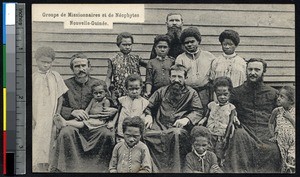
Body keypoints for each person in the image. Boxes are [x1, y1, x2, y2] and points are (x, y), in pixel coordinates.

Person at [49, 53, 118, 172]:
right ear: (72, 69)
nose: (81, 69)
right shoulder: (65, 84)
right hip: (73, 123)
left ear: (89, 67)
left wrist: (112, 110)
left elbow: (111, 103)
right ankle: (68, 169)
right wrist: (72, 111)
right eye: (77, 66)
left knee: (107, 134)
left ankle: (101, 169)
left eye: (83, 65)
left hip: (95, 125)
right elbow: (58, 106)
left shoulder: (98, 84)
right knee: (66, 132)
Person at [224, 58, 281, 173]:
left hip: (266, 130)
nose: (253, 73)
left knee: (273, 149)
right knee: (238, 136)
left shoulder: (273, 93)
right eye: (250, 69)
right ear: (246, 70)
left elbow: (279, 115)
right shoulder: (236, 92)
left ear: (263, 72)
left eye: (257, 70)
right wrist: (232, 115)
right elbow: (228, 109)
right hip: (245, 129)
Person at [143, 64, 203, 173]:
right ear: (169, 77)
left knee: (176, 134)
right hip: (160, 125)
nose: (176, 80)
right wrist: (148, 115)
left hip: (179, 128)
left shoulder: (192, 93)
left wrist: (187, 119)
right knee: (145, 134)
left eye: (180, 77)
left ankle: (175, 170)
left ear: (185, 78)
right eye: (174, 76)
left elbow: (198, 111)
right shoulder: (162, 91)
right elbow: (148, 106)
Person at [32, 47, 68, 172]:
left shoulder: (56, 76)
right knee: (38, 137)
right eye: (43, 62)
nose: (46, 65)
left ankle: (50, 166)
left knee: (51, 139)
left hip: (51, 113)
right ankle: (37, 166)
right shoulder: (33, 77)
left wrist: (57, 113)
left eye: (49, 62)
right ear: (37, 61)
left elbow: (60, 97)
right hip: (38, 114)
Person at [198, 76, 239, 166]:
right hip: (210, 132)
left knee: (219, 150)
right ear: (215, 93)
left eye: (225, 94)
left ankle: (217, 165)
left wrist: (226, 137)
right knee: (209, 148)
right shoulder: (212, 105)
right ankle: (208, 165)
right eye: (219, 94)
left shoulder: (231, 108)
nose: (222, 97)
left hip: (222, 134)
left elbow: (230, 123)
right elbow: (207, 116)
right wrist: (202, 120)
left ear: (230, 93)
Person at [175, 27, 216, 112]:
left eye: (192, 41)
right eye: (186, 43)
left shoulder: (208, 56)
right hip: (187, 93)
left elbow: (215, 71)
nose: (189, 44)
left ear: (198, 41)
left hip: (204, 92)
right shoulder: (180, 58)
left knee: (205, 111)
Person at [108, 74, 151, 142]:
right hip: (123, 132)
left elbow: (147, 112)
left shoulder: (144, 102)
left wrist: (148, 116)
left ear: (141, 88)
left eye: (136, 89)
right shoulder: (122, 100)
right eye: (131, 89)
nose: (134, 91)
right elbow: (118, 113)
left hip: (137, 132)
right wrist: (113, 123)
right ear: (126, 89)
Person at [106, 32, 147, 102]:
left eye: (129, 45)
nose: (127, 47)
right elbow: (108, 77)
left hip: (134, 91)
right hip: (119, 92)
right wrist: (106, 90)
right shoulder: (113, 59)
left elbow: (150, 66)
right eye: (124, 45)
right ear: (118, 45)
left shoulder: (136, 58)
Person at [269, 86, 295, 173]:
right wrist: (273, 135)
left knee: (292, 160)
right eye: (278, 96)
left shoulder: (294, 111)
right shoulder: (277, 111)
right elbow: (271, 123)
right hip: (281, 141)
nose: (278, 99)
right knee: (283, 163)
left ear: (291, 101)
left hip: (293, 141)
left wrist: (290, 118)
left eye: (282, 97)